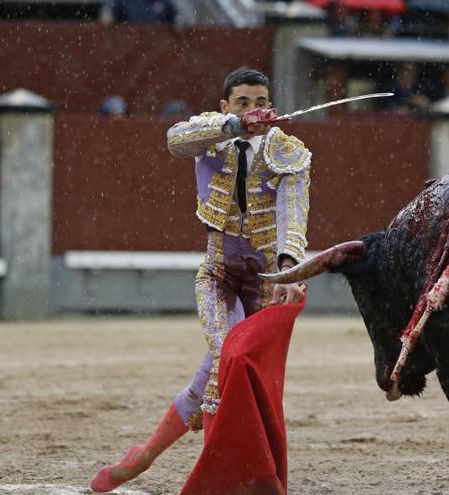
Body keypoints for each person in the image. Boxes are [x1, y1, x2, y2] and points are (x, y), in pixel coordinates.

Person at [90, 66, 310, 493]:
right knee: (226, 359)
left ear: (272, 106)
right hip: (218, 276)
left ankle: (146, 455)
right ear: (225, 106)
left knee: (245, 377)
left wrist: (288, 263)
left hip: (267, 282)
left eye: (261, 102)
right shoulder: (211, 137)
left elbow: (292, 210)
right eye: (242, 102)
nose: (253, 109)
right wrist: (233, 125)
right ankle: (225, 476)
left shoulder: (288, 152)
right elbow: (175, 139)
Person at [99, 0, 176, 25]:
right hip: (128, 47)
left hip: (157, 49)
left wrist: (179, 23)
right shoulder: (124, 1)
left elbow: (176, 17)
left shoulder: (164, 2)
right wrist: (107, 15)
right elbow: (108, 10)